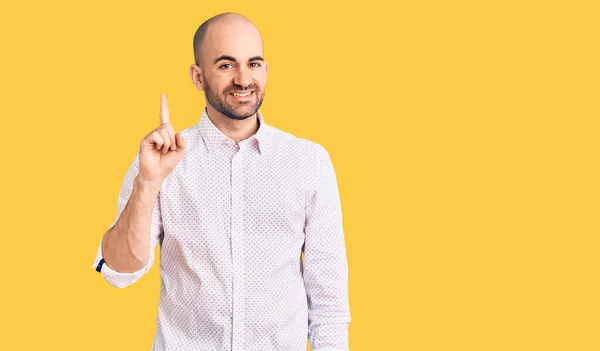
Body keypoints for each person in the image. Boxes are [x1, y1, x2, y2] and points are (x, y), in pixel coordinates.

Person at [91, 12, 351, 351]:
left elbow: (328, 297)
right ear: (198, 77)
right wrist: (147, 184)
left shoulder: (308, 161)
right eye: (226, 65)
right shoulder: (160, 161)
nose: (244, 79)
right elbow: (118, 271)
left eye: (253, 64)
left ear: (266, 70)